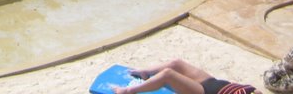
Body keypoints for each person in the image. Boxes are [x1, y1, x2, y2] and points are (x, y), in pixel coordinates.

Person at [110, 59, 257, 94]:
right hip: (214, 82)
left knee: (168, 75)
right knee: (177, 63)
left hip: (204, 92)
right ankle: (145, 72)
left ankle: (126, 91)